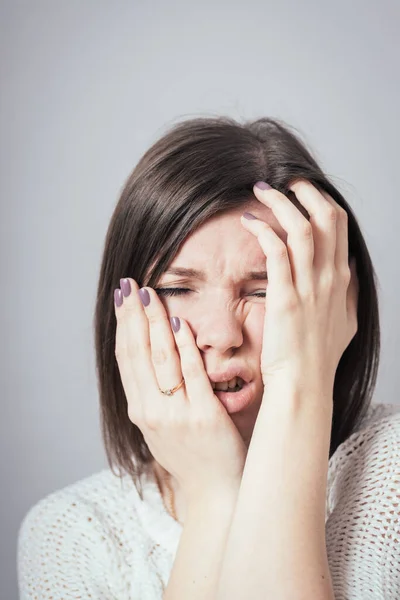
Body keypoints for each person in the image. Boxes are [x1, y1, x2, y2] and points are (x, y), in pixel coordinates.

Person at [17, 116, 400, 599]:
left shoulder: (393, 477)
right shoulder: (71, 535)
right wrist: (214, 495)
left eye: (263, 291)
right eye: (178, 288)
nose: (222, 335)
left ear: (336, 301)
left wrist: (298, 386)